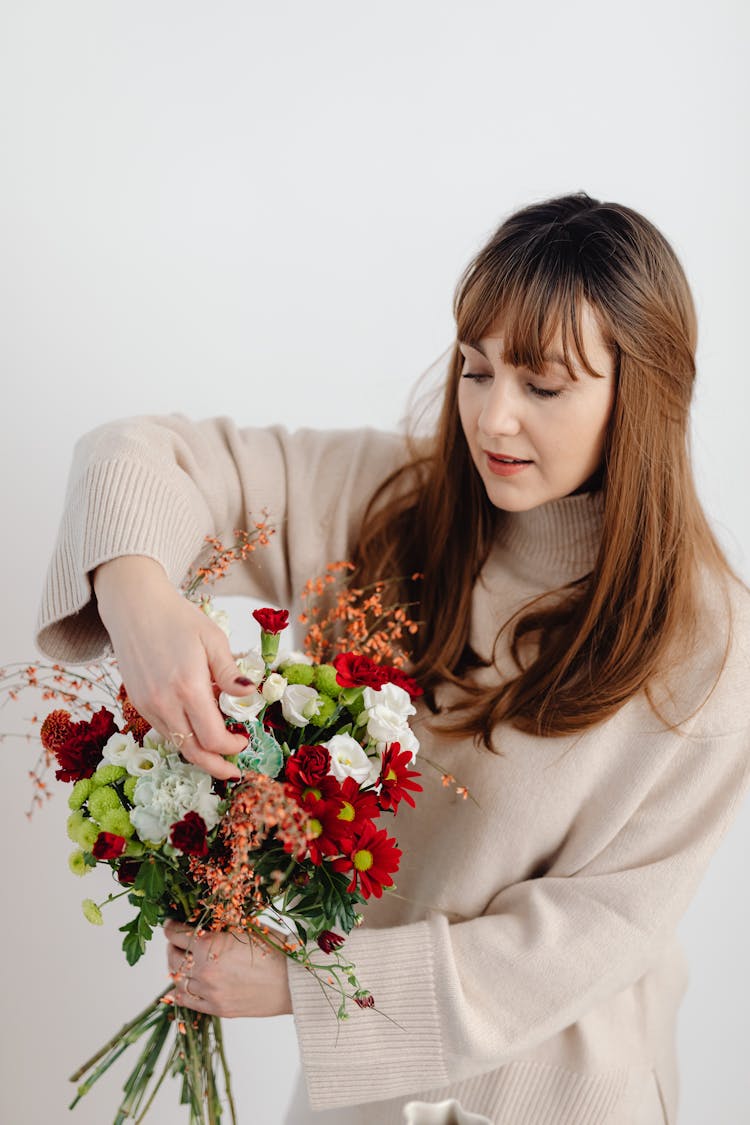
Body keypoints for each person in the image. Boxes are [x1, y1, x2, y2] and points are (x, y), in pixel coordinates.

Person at [36, 192, 750, 1125]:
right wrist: (141, 601)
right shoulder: (392, 505)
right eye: (475, 369)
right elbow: (134, 453)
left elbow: (589, 937)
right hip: (366, 1088)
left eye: (542, 386)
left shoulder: (706, 645)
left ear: (641, 393)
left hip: (561, 1094)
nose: (493, 421)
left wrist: (308, 981)